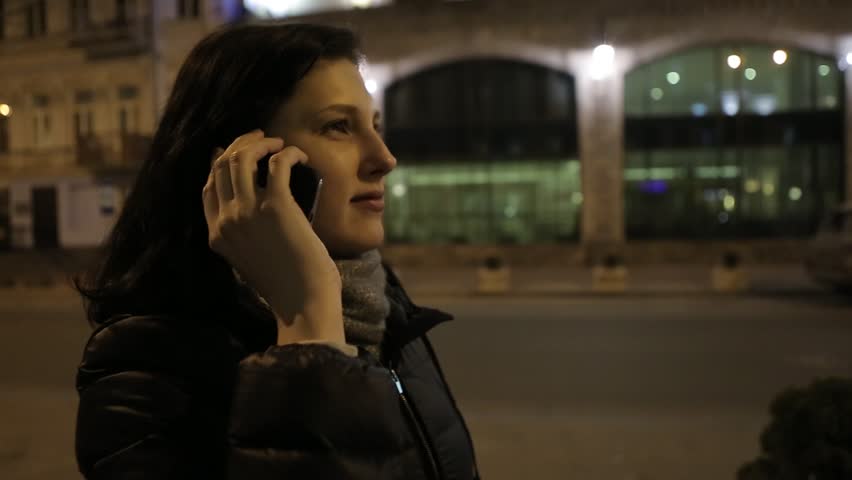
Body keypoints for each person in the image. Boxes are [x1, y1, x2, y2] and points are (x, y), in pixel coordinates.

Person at [73, 22, 480, 480]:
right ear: (241, 165)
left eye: (375, 125)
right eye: (338, 127)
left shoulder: (381, 309)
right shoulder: (147, 373)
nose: (384, 157)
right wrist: (308, 321)